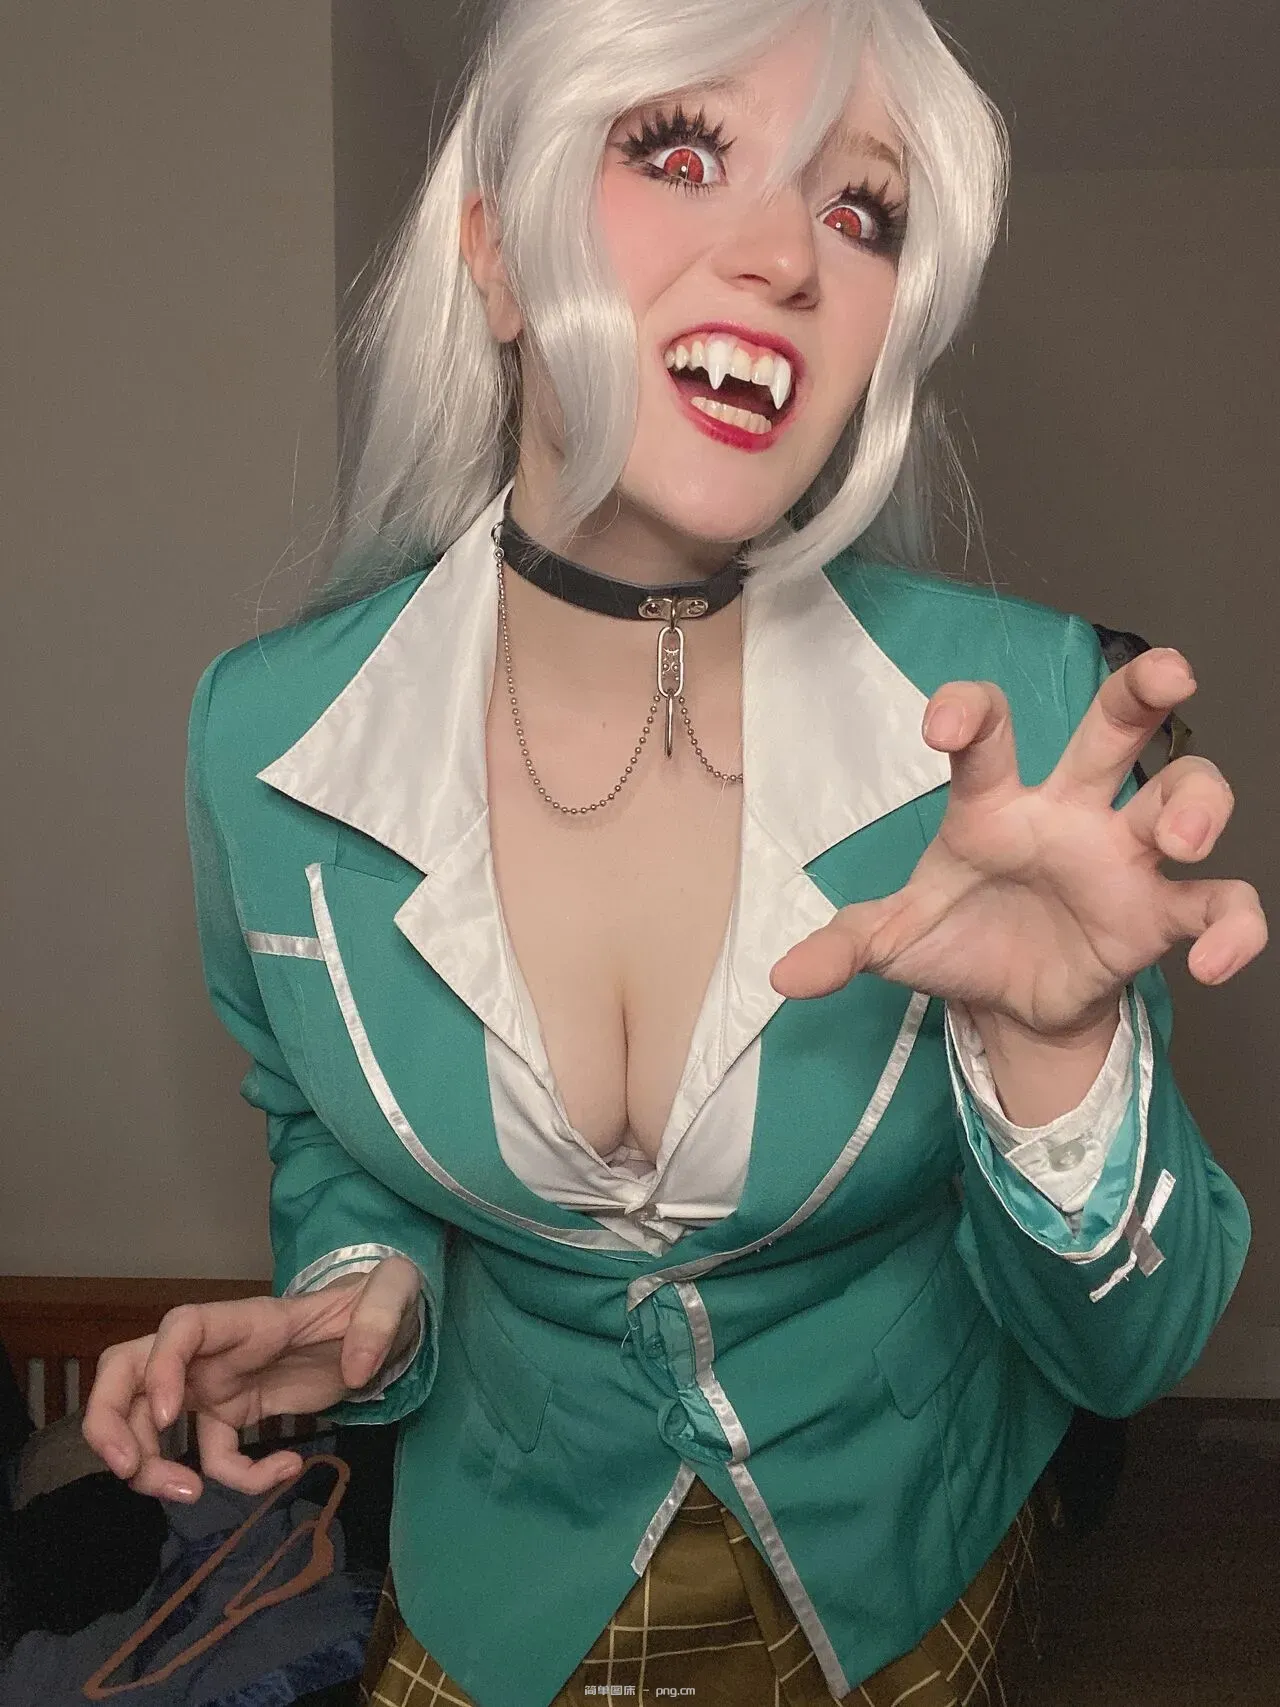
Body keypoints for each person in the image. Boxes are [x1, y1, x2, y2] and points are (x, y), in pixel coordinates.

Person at [82, 0, 1263, 1702]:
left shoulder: (1027, 711)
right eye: (683, 152)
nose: (787, 255)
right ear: (497, 257)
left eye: (860, 210)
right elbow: (321, 1122)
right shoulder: (259, 740)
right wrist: (357, 1291)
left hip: (907, 1577)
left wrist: (1060, 1054)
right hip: (499, 1586)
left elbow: (1134, 1354)